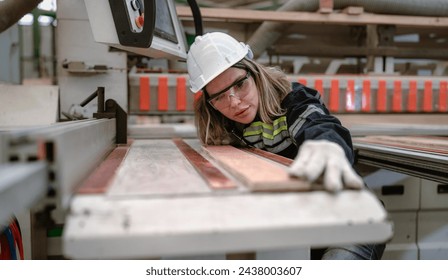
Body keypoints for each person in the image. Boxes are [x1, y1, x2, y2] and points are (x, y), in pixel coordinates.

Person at [186, 32, 385, 260]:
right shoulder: (223, 123)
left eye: (240, 84)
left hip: (353, 216)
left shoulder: (292, 101)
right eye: (219, 97)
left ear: (255, 74)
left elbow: (319, 124)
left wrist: (328, 145)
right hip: (306, 216)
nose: (234, 102)